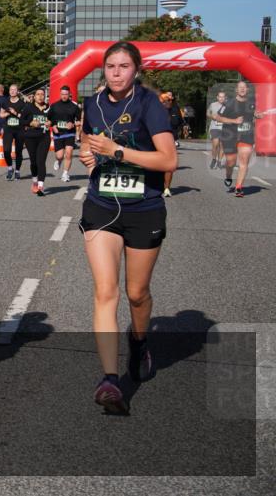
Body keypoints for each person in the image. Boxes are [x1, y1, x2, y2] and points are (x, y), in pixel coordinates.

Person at [78, 41, 177, 415]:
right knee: (106, 292)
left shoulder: (149, 103)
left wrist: (117, 152)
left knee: (137, 294)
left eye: (123, 66)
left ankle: (139, 341)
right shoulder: (92, 103)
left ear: (136, 69)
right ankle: (109, 378)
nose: (116, 72)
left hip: (145, 208)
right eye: (110, 66)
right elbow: (88, 144)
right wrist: (90, 156)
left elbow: (168, 158)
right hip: (102, 206)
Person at [216, 80, 263, 198]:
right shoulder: (229, 103)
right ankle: (228, 175)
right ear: (236, 90)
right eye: (240, 87)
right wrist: (234, 121)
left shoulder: (252, 103)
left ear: (247, 90)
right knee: (231, 162)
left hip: (246, 135)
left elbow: (254, 113)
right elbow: (218, 117)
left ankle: (238, 187)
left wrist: (257, 115)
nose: (242, 89)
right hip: (230, 135)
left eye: (244, 87)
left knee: (244, 161)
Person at [21, 89, 51, 196]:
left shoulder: (48, 108)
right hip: (30, 137)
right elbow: (21, 121)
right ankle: (34, 181)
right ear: (34, 96)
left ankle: (40, 186)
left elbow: (55, 119)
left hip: (44, 137)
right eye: (38, 94)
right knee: (33, 162)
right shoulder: (29, 107)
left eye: (42, 94)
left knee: (41, 161)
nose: (40, 96)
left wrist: (50, 122)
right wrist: (30, 123)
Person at [49, 85, 82, 183]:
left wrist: (73, 124)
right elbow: (49, 119)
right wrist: (53, 126)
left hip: (69, 134)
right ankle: (58, 161)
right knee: (59, 155)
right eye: (62, 94)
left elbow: (79, 121)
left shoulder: (74, 106)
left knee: (68, 154)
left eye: (66, 94)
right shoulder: (54, 106)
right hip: (58, 134)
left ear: (69, 94)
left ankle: (65, 173)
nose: (64, 96)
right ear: (60, 94)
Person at [0, 84, 27, 181]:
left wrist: (15, 113)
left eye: (14, 90)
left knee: (18, 151)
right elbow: (1, 115)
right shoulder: (5, 102)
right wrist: (8, 113)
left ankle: (17, 171)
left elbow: (25, 118)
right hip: (8, 129)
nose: (12, 91)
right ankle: (10, 168)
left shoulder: (22, 103)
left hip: (19, 129)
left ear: (17, 91)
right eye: (11, 89)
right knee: (6, 150)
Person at [160, 92, 183, 196]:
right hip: (156, 138)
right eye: (166, 98)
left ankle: (167, 188)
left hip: (171, 139)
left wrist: (177, 135)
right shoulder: (157, 108)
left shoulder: (175, 108)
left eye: (169, 99)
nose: (168, 100)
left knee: (169, 165)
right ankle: (157, 185)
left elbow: (180, 122)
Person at [207, 90, 227, 170]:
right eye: (220, 97)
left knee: (222, 145)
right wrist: (212, 116)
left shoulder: (228, 106)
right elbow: (208, 113)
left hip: (225, 127)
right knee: (215, 144)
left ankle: (219, 161)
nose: (221, 98)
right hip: (214, 127)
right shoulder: (213, 105)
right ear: (217, 97)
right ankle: (214, 159)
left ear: (225, 98)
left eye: (223, 97)